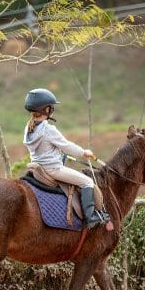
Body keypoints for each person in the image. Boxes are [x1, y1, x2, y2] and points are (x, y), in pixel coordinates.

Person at [22, 88, 109, 228]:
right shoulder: (48, 129)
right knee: (87, 182)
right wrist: (83, 152)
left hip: (38, 168)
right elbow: (66, 146)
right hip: (53, 169)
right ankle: (91, 217)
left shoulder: (29, 127)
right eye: (51, 107)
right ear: (46, 109)